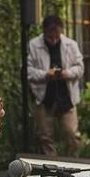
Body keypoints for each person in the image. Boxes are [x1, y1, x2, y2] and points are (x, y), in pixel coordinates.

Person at [27, 14, 84, 156]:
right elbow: (27, 71)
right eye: (50, 37)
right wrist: (46, 74)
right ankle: (52, 169)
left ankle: (72, 166)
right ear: (44, 32)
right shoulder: (34, 45)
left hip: (66, 96)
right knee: (45, 137)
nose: (53, 40)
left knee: (72, 134)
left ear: (61, 31)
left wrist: (67, 73)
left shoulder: (71, 44)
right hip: (44, 97)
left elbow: (80, 68)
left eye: (57, 36)